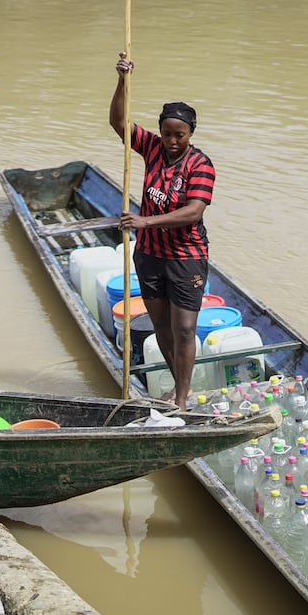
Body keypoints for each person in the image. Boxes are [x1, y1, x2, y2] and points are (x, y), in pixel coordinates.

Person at [109, 53, 215, 411]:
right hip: (150, 256)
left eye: (179, 135)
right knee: (162, 329)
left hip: (186, 258)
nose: (172, 141)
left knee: (184, 329)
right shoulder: (153, 149)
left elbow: (193, 212)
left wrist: (144, 221)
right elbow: (119, 122)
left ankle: (182, 399)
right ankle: (177, 385)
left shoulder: (200, 164)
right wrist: (123, 79)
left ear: (190, 134)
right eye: (167, 134)